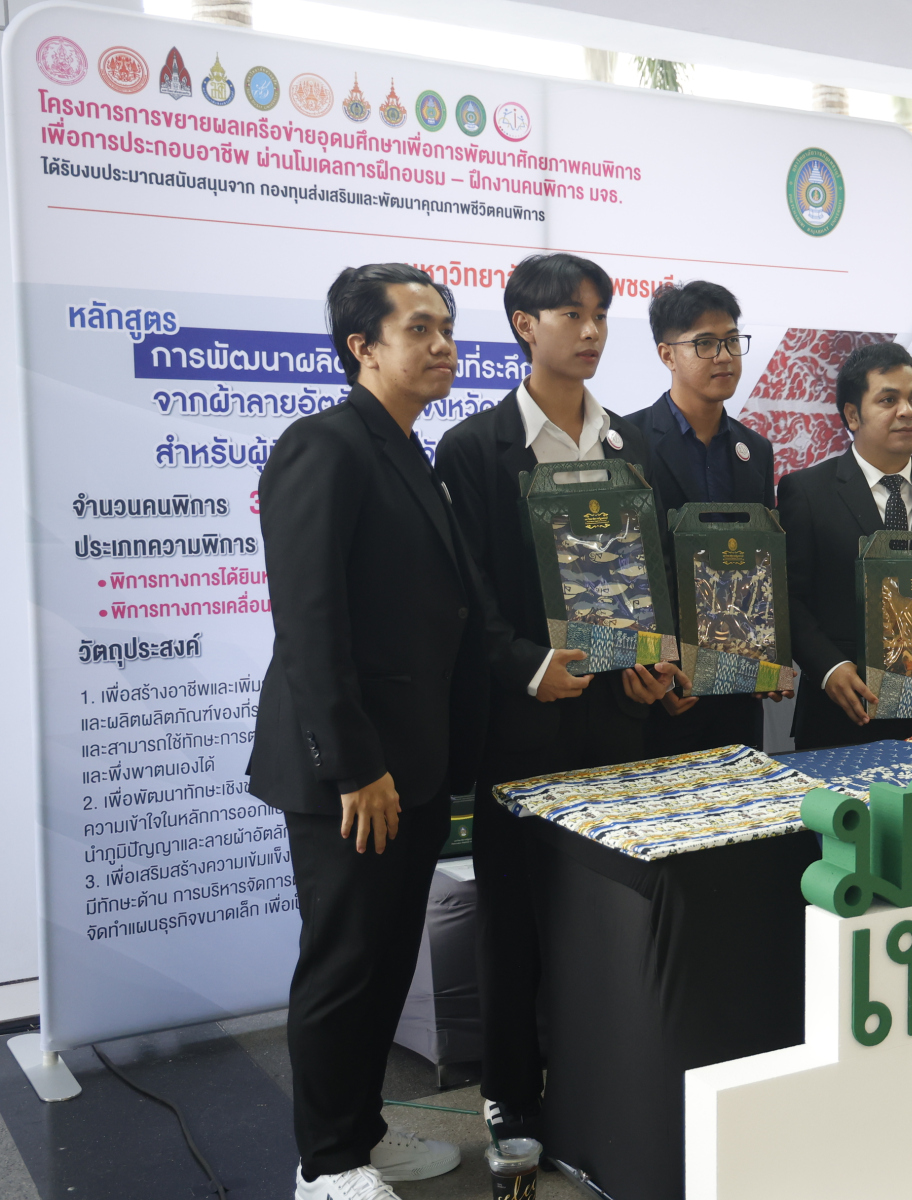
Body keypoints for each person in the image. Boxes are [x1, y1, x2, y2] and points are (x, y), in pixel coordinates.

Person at [435, 253, 683, 1145]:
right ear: (523, 325)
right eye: (571, 314)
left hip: (618, 717)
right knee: (514, 917)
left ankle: (603, 1081)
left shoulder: (630, 445)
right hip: (524, 722)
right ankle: (511, 1091)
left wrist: (657, 663)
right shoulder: (476, 448)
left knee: (608, 912)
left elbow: (652, 579)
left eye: (600, 315)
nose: (590, 331)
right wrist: (526, 666)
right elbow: (466, 595)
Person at [250, 264, 483, 1200]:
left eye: (447, 326)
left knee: (387, 959)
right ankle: (326, 1163)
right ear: (363, 346)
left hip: (410, 764)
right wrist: (355, 766)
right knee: (345, 963)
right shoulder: (325, 446)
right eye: (419, 327)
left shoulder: (407, 450)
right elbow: (310, 624)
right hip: (352, 774)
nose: (442, 344)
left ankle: (363, 1132)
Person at [776, 341, 912, 749]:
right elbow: (788, 597)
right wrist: (829, 667)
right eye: (888, 400)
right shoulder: (807, 492)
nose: (907, 411)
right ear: (852, 415)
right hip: (844, 712)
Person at [625, 280, 783, 754]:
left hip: (739, 685)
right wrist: (657, 671)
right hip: (662, 689)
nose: (725, 356)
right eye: (705, 344)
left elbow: (762, 565)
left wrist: (766, 656)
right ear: (667, 355)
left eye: (732, 341)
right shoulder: (629, 441)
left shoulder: (754, 449)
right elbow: (629, 571)